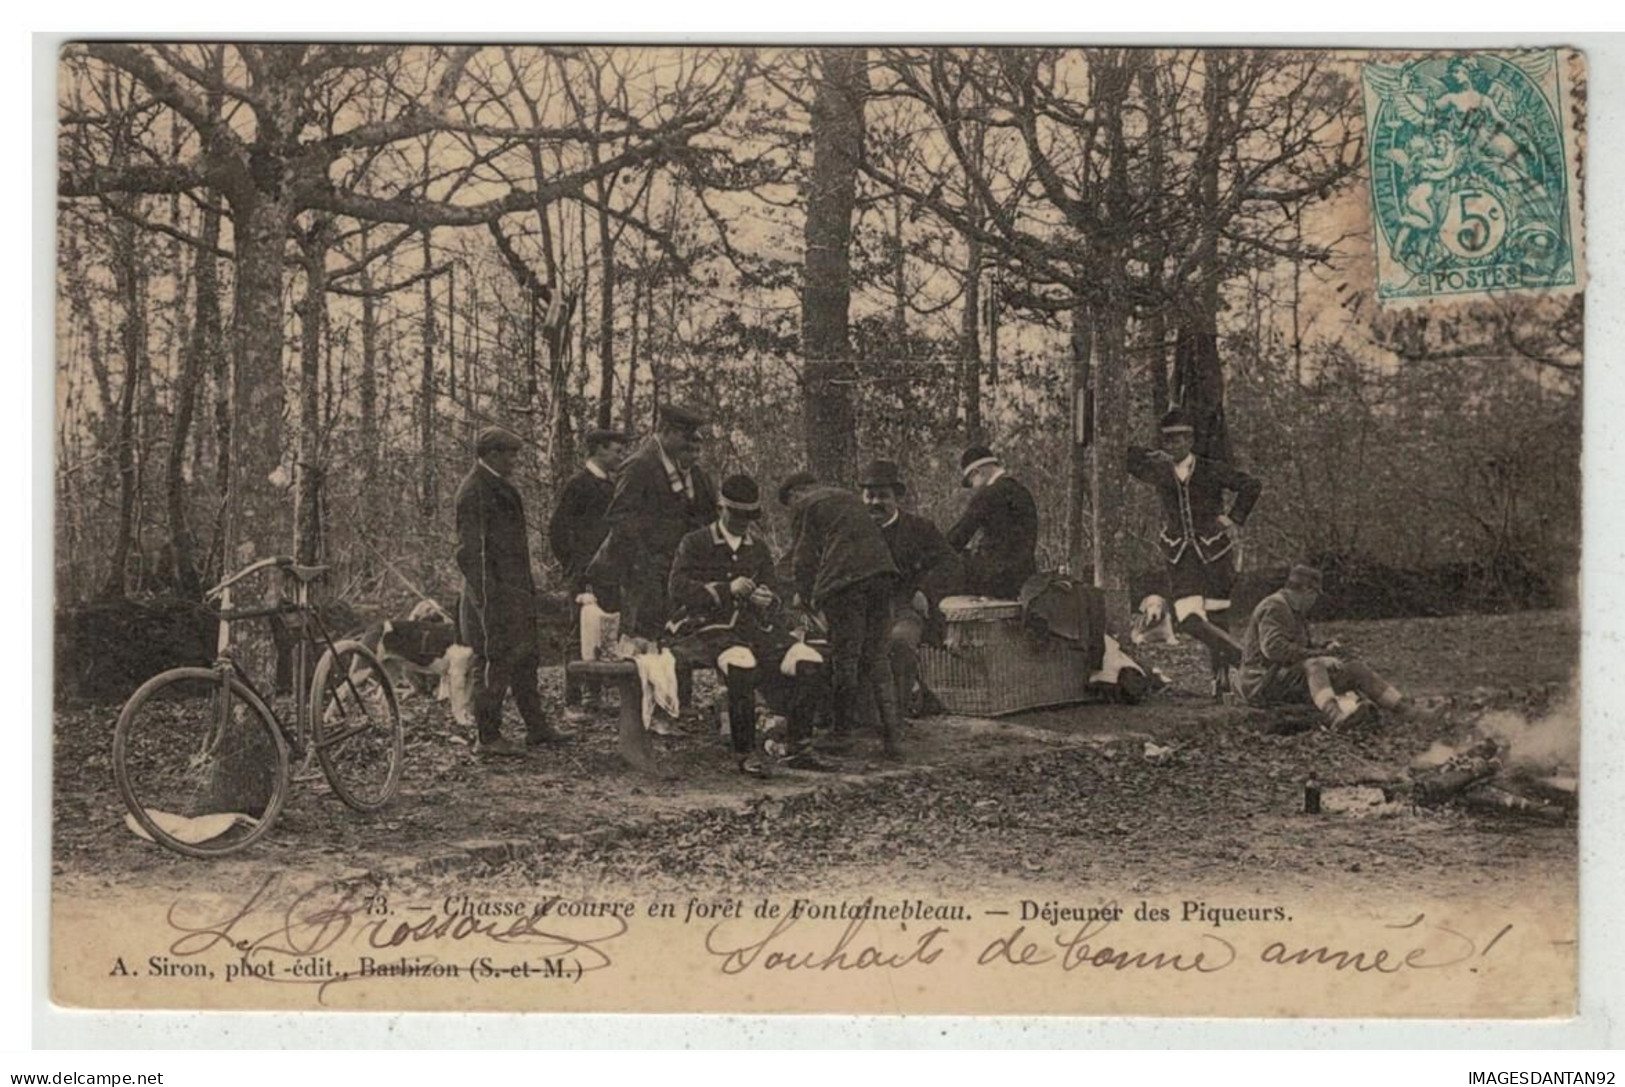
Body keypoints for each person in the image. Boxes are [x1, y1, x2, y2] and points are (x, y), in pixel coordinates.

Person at [666, 475, 830, 775]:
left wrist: (769, 600)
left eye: (749, 516)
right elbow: (677, 588)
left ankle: (798, 748)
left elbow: (775, 592)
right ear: (721, 508)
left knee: (810, 660)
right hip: (709, 628)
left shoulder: (759, 548)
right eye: (736, 514)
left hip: (755, 629)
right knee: (742, 662)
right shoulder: (696, 542)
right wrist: (726, 589)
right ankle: (745, 753)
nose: (743, 521)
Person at [1126, 407, 1262, 698]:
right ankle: (1246, 662)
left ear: (1190, 440)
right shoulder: (1158, 469)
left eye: (1178, 440)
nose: (1172, 446)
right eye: (1168, 441)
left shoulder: (1211, 469)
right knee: (1188, 619)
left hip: (1215, 554)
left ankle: (1222, 681)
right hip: (1179, 555)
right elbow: (1123, 456)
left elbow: (1251, 485)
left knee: (1217, 617)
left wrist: (1233, 518)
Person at [454, 426, 566, 757]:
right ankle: (488, 737)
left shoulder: (500, 487)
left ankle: (537, 728)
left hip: (516, 593)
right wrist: (488, 599)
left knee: (525, 659)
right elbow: (471, 554)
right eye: (511, 454)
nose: (516, 461)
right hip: (491, 596)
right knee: (494, 661)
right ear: (492, 455)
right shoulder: (474, 491)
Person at [779, 471, 904, 759]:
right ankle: (894, 737)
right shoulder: (845, 497)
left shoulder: (805, 505)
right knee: (878, 657)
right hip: (883, 576)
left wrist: (805, 595)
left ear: (796, 494)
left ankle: (841, 734)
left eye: (789, 502)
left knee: (844, 658)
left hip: (846, 584)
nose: (792, 507)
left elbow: (803, 557)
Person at [1237, 564, 1434, 728]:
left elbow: (1298, 647)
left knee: (1354, 668)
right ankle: (1334, 716)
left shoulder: (1292, 609)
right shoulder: (1275, 607)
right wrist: (1319, 656)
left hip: (1281, 676)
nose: (1314, 601)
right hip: (1262, 683)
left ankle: (1406, 710)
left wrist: (1326, 648)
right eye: (1314, 595)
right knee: (1314, 664)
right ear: (1306, 591)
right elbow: (1274, 650)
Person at [587, 404, 716, 640]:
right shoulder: (640, 464)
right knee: (644, 640)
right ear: (666, 431)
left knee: (672, 637)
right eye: (684, 437)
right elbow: (620, 519)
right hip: (641, 570)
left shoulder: (672, 463)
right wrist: (645, 568)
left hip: (666, 567)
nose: (687, 444)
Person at [859, 459, 962, 718]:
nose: (874, 503)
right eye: (869, 495)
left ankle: (897, 716)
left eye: (883, 496)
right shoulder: (852, 530)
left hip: (904, 609)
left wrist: (925, 591)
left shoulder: (919, 528)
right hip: (860, 610)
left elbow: (950, 564)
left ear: (897, 498)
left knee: (900, 643)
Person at [549, 427, 628, 718]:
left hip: (609, 574)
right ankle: (572, 701)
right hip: (583, 574)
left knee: (604, 631)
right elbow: (557, 529)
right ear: (598, 450)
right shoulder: (578, 484)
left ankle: (595, 696)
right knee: (576, 634)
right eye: (616, 450)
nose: (621, 456)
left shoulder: (612, 485)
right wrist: (573, 566)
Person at [946, 445, 1039, 600]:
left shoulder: (989, 494)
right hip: (1025, 576)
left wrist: (934, 553)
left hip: (996, 581)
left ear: (977, 472)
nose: (974, 487)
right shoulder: (1023, 492)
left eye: (971, 481)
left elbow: (959, 535)